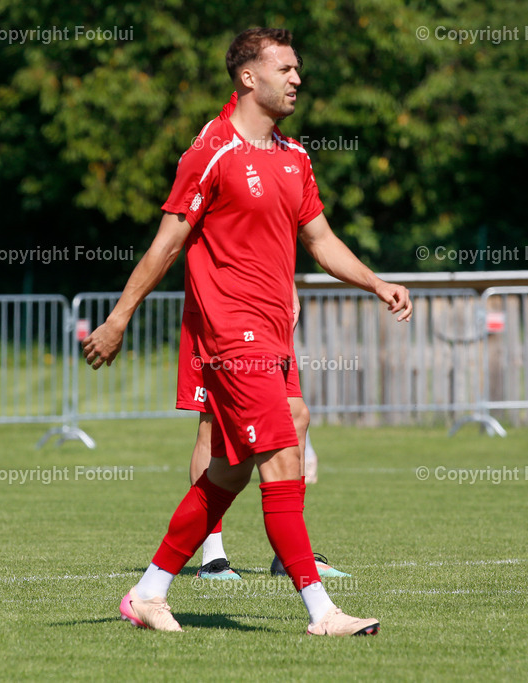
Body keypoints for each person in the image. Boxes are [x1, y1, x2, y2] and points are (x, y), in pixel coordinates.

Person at [83, 27, 412, 636]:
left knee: (230, 472)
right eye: (284, 69)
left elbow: (319, 240)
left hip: (274, 335)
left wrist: (375, 281)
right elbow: (168, 242)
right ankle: (323, 611)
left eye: (297, 69)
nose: (297, 79)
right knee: (284, 456)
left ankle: (149, 593)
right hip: (232, 335)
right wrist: (119, 316)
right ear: (247, 77)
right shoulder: (210, 150)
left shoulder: (295, 157)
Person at [179, 253, 346, 581]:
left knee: (297, 415)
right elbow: (171, 240)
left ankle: (289, 555)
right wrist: (122, 314)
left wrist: (290, 288)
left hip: (268, 307)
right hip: (217, 306)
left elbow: (285, 236)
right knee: (212, 423)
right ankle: (212, 557)